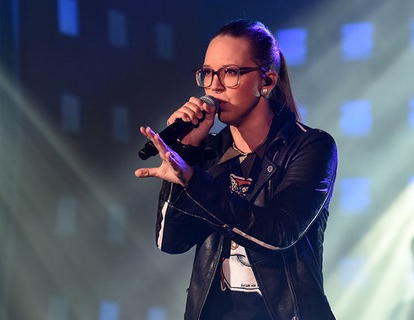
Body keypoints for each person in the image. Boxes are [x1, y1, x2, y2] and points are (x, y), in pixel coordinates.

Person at [135, 19, 338, 320]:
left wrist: (194, 180)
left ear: (266, 81)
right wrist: (186, 152)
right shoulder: (208, 152)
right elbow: (170, 242)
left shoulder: (311, 147)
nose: (214, 86)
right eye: (207, 73)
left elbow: (279, 233)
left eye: (230, 72)